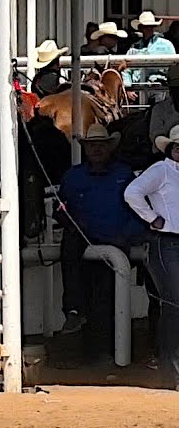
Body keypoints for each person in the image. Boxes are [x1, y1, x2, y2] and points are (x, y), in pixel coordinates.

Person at [56, 124, 146, 342]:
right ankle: (74, 311)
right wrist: (64, 217)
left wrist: (127, 236)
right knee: (71, 249)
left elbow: (140, 209)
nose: (96, 150)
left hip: (117, 242)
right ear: (86, 149)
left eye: (101, 146)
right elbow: (60, 208)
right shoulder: (72, 176)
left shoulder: (125, 175)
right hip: (84, 238)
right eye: (92, 145)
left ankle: (102, 344)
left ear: (110, 148)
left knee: (105, 295)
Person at [125, 124, 179, 388]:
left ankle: (171, 369)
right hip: (166, 241)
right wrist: (153, 218)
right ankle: (172, 371)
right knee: (174, 302)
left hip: (169, 242)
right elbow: (131, 193)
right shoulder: (161, 170)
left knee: (173, 304)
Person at [126, 11, 177, 103]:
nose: (148, 29)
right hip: (137, 89)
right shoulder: (134, 48)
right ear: (140, 28)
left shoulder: (166, 45)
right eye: (145, 26)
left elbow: (173, 68)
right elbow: (126, 70)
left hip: (159, 87)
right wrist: (128, 88)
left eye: (150, 26)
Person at [146, 64, 179, 145]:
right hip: (167, 152)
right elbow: (156, 136)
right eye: (177, 89)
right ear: (171, 90)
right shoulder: (159, 109)